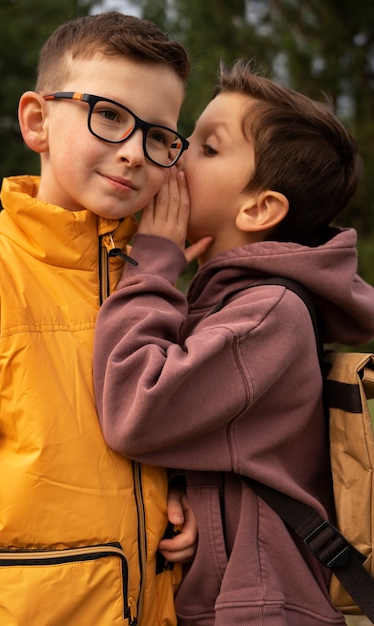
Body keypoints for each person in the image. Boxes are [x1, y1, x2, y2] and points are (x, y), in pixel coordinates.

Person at [93, 59, 374, 625]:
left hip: (259, 606)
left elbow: (134, 411)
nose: (176, 153)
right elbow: (214, 440)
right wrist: (185, 496)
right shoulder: (230, 300)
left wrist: (150, 268)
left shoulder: (269, 311)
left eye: (207, 147)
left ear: (259, 208)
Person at [0, 11, 199, 626]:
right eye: (109, 115)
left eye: (159, 136)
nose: (133, 153)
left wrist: (184, 502)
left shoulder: (159, 287)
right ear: (37, 121)